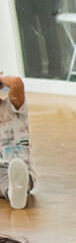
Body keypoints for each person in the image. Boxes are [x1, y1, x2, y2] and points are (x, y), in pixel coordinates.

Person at [0, 70, 34, 208]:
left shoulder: (13, 107)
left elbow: (16, 83)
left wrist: (1, 78)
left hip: (20, 169)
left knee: (8, 177)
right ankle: (14, 191)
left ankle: (15, 191)